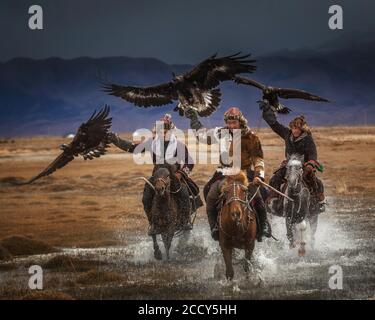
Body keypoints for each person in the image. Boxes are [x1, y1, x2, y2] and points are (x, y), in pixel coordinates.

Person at [185, 106, 272, 242]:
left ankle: (264, 225)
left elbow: (258, 158)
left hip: (244, 174)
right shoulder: (221, 132)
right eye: (229, 123)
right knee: (210, 194)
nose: (231, 126)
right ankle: (215, 227)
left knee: (260, 196)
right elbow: (203, 137)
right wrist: (194, 119)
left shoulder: (251, 137)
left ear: (240, 122)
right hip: (224, 174)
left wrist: (258, 175)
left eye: (234, 123)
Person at [108, 114, 201, 235]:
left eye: (165, 129)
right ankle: (152, 223)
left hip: (174, 176)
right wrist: (116, 140)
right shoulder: (151, 143)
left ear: (170, 130)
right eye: (160, 129)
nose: (163, 132)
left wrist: (181, 173)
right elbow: (132, 148)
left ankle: (185, 221)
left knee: (183, 193)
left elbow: (190, 162)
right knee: (146, 197)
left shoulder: (179, 145)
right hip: (156, 176)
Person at [260, 100, 325, 212]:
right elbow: (275, 125)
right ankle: (273, 199)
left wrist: (310, 163)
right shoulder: (287, 133)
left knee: (316, 182)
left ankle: (319, 202)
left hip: (304, 165)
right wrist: (267, 111)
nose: (295, 131)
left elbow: (313, 153)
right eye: (293, 128)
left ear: (302, 129)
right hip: (289, 164)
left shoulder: (308, 138)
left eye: (297, 129)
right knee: (275, 178)